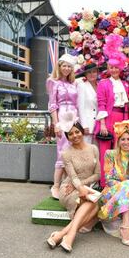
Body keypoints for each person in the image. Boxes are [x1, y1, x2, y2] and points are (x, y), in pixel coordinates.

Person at [46, 114, 100, 253]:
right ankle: (69, 236)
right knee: (92, 205)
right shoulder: (66, 153)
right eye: (70, 134)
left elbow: (98, 175)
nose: (75, 135)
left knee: (93, 206)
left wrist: (82, 185)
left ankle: (62, 234)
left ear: (82, 132)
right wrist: (80, 187)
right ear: (67, 137)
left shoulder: (94, 149)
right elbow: (72, 176)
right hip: (68, 189)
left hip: (83, 186)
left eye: (77, 132)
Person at [98, 120, 129, 247]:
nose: (126, 142)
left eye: (128, 139)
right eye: (123, 139)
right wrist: (125, 185)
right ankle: (126, 227)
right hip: (110, 193)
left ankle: (125, 226)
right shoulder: (110, 154)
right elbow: (108, 180)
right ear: (118, 141)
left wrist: (127, 187)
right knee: (128, 185)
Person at [94, 34, 129, 188]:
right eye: (111, 67)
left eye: (116, 67)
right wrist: (102, 123)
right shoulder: (103, 83)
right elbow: (101, 104)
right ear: (108, 68)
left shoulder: (125, 84)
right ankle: (104, 183)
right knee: (105, 153)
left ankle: (118, 182)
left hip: (122, 119)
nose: (114, 70)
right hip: (108, 119)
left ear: (120, 68)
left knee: (120, 152)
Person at [47, 53, 78, 199]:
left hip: (73, 118)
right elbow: (52, 105)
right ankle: (56, 185)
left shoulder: (73, 83)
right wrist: (56, 124)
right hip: (62, 118)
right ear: (59, 67)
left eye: (69, 66)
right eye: (64, 66)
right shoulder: (53, 82)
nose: (66, 69)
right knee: (62, 152)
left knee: (73, 152)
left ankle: (68, 184)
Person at [77, 62, 99, 144]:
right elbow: (80, 107)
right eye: (89, 72)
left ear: (97, 73)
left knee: (96, 152)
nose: (92, 74)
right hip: (87, 125)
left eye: (94, 72)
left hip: (98, 125)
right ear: (85, 74)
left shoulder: (100, 86)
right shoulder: (82, 86)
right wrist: (84, 125)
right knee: (85, 151)